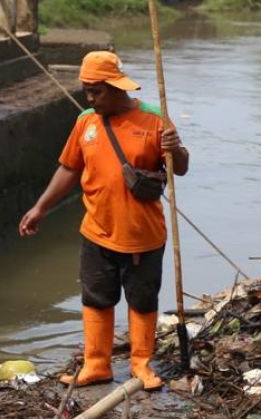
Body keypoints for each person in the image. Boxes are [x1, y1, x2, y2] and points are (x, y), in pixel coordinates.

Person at [18, 51, 189, 391]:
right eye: (87, 91)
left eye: (96, 91)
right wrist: (40, 208)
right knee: (96, 297)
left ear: (115, 87)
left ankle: (141, 363)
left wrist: (176, 147)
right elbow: (69, 168)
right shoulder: (86, 122)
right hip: (97, 231)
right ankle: (97, 364)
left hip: (143, 234)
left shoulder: (156, 121)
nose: (91, 98)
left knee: (142, 299)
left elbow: (180, 168)